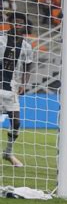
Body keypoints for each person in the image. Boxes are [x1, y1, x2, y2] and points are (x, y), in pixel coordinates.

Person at [1, 12, 33, 167]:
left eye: (21, 22)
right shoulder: (1, 39)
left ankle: (8, 152)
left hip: (11, 88)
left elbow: (28, 66)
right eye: (15, 21)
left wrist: (23, 84)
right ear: (10, 23)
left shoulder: (26, 46)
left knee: (16, 122)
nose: (18, 24)